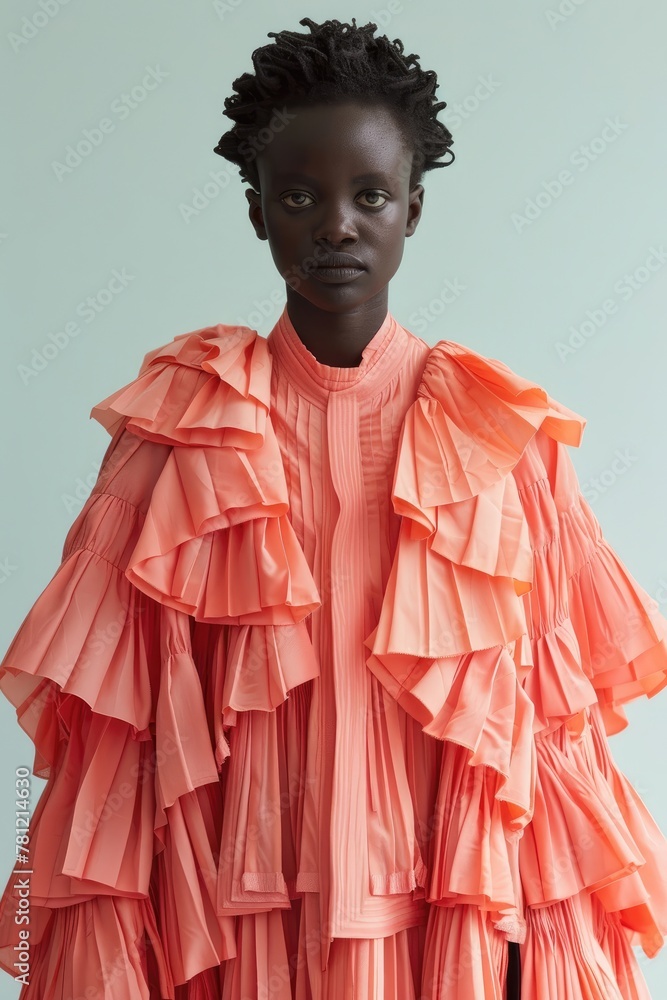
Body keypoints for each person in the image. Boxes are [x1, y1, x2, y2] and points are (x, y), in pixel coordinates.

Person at [0, 15, 666, 1000]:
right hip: (237, 927)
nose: (336, 226)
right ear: (256, 210)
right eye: (301, 196)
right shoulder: (180, 431)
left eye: (370, 195)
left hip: (440, 925)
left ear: (414, 208)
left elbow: (546, 738)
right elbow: (118, 746)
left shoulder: (500, 439)